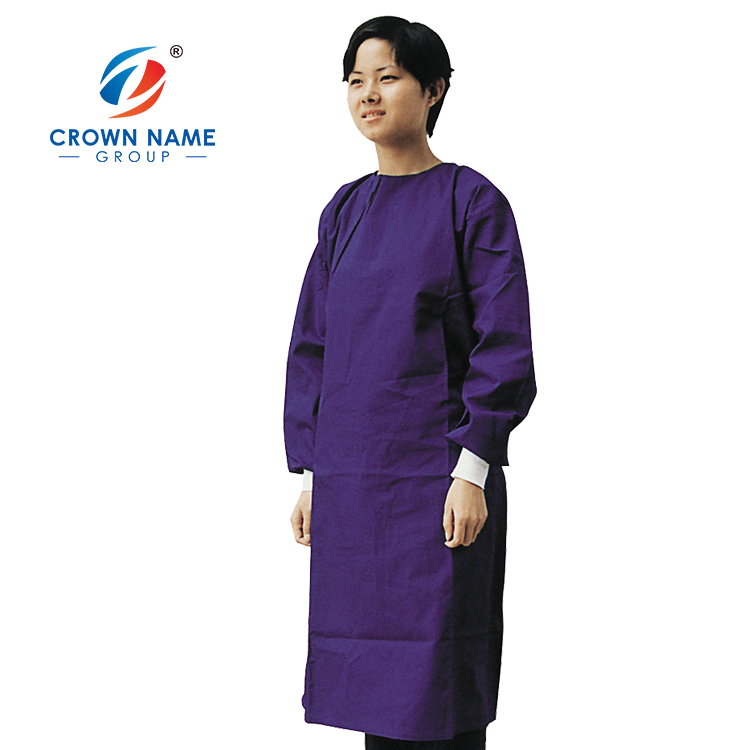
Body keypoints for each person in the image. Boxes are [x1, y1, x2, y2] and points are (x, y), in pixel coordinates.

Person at [283, 16, 537, 750]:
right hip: (355, 490)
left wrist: (473, 469)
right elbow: (315, 346)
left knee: (439, 687)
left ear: (433, 90)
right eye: (355, 80)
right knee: (376, 693)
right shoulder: (345, 211)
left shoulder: (470, 202)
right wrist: (314, 477)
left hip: (438, 482)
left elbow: (503, 344)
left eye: (388, 77)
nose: (368, 94)